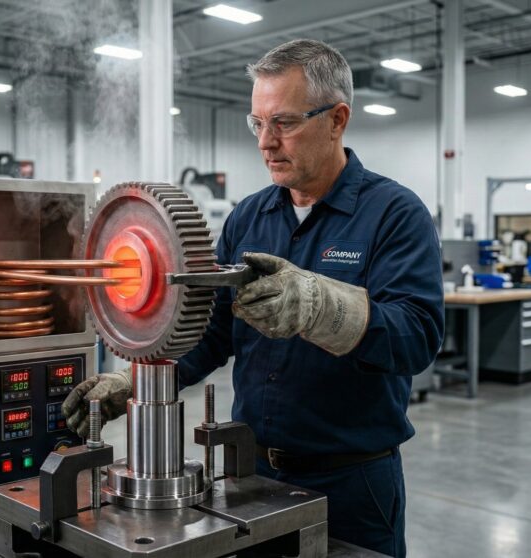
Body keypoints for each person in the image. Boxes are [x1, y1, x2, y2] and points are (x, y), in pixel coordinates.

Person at [63, 39, 443, 558]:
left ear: (337, 119)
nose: (266, 142)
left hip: (353, 484)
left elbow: (416, 337)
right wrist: (130, 382)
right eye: (257, 123)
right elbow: (210, 330)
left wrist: (317, 305)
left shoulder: (395, 214)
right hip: (250, 476)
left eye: (283, 122)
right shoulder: (250, 216)